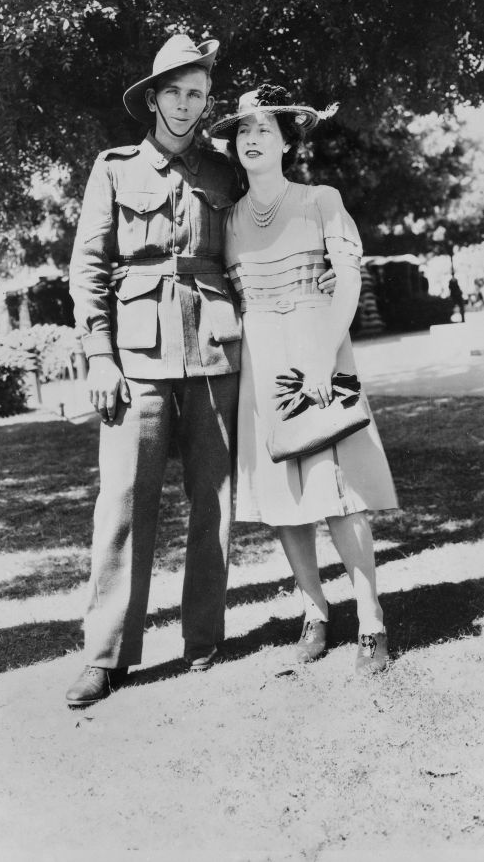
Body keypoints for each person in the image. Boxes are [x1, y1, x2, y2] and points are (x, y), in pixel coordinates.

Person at [66, 35, 338, 707]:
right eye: (174, 93)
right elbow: (89, 269)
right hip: (135, 356)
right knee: (125, 504)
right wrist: (99, 354)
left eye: (196, 95)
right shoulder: (113, 168)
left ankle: (202, 639)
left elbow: (259, 234)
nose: (186, 106)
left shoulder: (223, 173)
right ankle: (106, 656)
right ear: (152, 99)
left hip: (218, 346)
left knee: (212, 503)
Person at [210, 85, 398, 674]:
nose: (252, 139)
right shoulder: (228, 220)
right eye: (243, 130)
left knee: (340, 495)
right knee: (284, 499)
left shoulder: (321, 199)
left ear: (288, 140)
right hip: (261, 364)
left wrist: (321, 357)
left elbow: (346, 280)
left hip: (320, 353)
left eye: (265, 129)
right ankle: (315, 611)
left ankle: (370, 620)